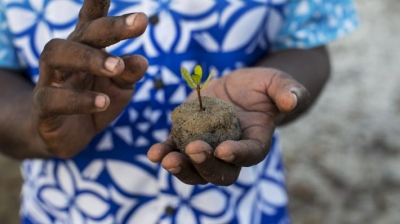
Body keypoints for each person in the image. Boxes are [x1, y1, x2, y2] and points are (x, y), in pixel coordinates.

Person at [0, 0, 358, 223]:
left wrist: (275, 95)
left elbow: (308, 43)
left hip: (241, 209)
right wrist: (37, 131)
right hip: (72, 211)